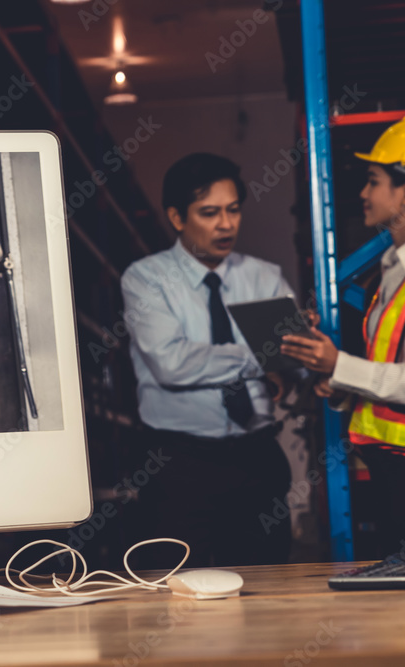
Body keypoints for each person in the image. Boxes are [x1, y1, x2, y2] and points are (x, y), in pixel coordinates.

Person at [281, 114, 405, 554]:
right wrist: (335, 379)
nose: (362, 193)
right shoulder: (396, 272)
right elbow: (392, 371)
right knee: (403, 612)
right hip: (398, 468)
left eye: (373, 181)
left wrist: (340, 364)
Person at [120, 153, 298, 568]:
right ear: (177, 217)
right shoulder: (146, 278)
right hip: (179, 465)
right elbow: (173, 363)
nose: (226, 224)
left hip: (257, 460)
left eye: (234, 210)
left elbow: (293, 361)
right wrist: (262, 358)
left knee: (270, 591)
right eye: (210, 213)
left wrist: (292, 362)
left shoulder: (264, 277)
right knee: (182, 591)